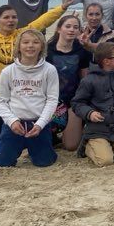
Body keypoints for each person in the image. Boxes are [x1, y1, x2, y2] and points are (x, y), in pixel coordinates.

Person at [0, 0, 69, 147]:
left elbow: (42, 21)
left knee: (27, 134)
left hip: (21, 93)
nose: (11, 20)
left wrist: (62, 8)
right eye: (6, 17)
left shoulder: (22, 35)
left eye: (14, 17)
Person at [0, 29, 59, 168]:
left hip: (38, 124)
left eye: (36, 42)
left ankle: (33, 150)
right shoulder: (8, 71)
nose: (30, 46)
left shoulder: (50, 70)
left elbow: (52, 100)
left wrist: (40, 124)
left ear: (42, 46)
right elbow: (0, 101)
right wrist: (12, 121)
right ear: (19, 46)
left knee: (45, 162)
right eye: (26, 42)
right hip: (15, 125)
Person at [46, 14, 91, 151]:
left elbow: (84, 80)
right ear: (59, 29)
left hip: (72, 102)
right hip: (50, 101)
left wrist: (82, 102)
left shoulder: (82, 51)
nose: (72, 30)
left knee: (71, 146)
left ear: (79, 31)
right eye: (68, 26)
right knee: (49, 143)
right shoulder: (47, 50)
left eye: (75, 27)